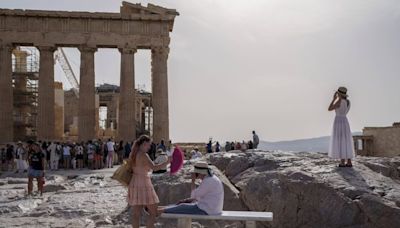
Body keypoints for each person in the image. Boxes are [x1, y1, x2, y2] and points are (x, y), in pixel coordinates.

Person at [127, 135, 171, 228]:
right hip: (144, 182)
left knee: (136, 214)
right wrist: (167, 162)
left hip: (134, 182)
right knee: (153, 211)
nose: (149, 147)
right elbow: (154, 167)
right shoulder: (143, 155)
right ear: (143, 144)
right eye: (148, 145)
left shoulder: (133, 154)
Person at [159, 161, 224, 215]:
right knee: (182, 204)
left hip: (207, 210)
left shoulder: (208, 181)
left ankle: (159, 211)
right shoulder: (211, 178)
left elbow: (193, 196)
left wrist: (193, 181)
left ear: (199, 173)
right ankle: (160, 208)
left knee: (182, 206)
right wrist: (188, 200)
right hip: (212, 208)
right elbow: (199, 197)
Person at [328, 87, 355, 167]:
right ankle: (349, 161)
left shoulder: (339, 101)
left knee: (340, 140)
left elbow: (329, 108)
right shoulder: (348, 102)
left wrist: (334, 99)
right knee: (346, 140)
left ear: (339, 94)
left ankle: (342, 162)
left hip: (338, 121)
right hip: (345, 121)